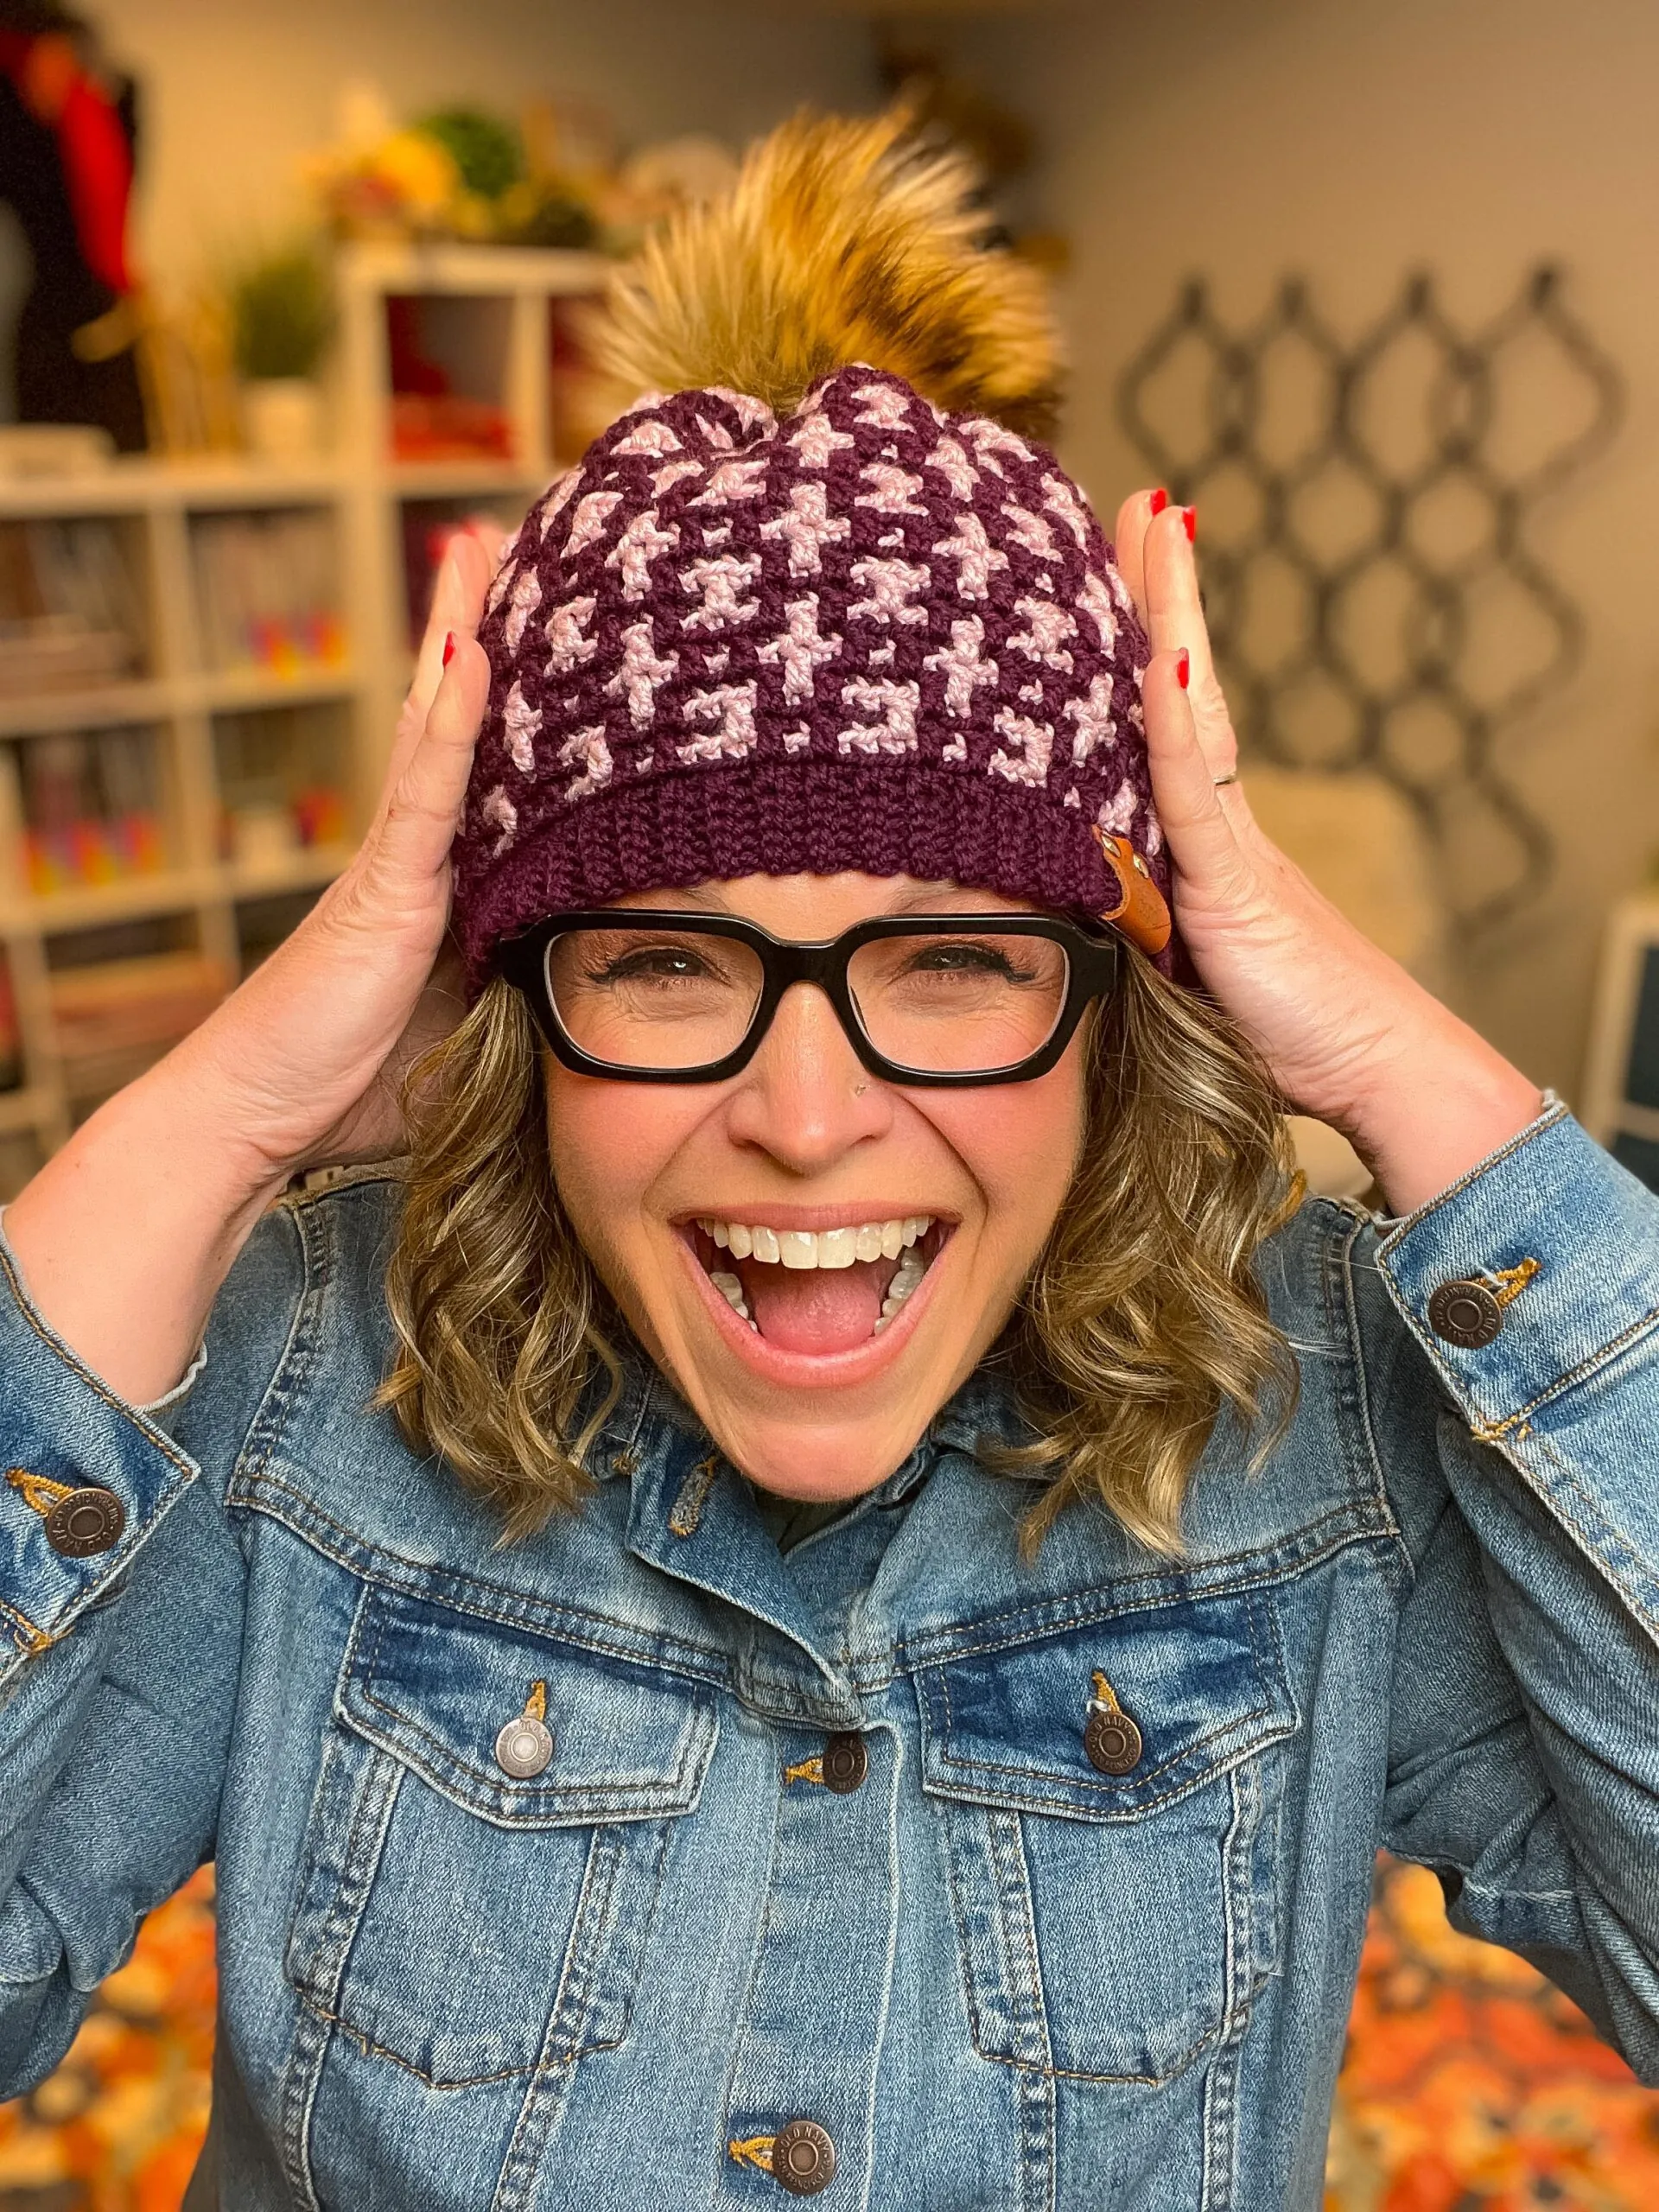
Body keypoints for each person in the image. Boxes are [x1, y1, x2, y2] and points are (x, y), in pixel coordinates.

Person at [2, 110, 1656, 2212]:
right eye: (675, 962)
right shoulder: (319, 1378)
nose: (803, 1112)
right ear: (514, 1005)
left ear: (1118, 1007)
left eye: (954, 960)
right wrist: (213, 1116)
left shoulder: (1311, 1418)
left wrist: (1400, 1060)